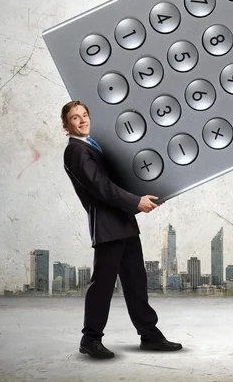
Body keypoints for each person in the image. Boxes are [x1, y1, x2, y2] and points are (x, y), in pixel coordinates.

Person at [60, 100, 182, 359]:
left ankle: (149, 334)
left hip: (122, 222)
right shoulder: (75, 151)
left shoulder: (91, 145)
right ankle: (90, 338)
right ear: (66, 125)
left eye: (84, 114)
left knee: (136, 280)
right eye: (74, 118)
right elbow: (100, 186)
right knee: (103, 284)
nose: (81, 120)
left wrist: (142, 195)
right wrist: (135, 201)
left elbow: (114, 179)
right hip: (107, 225)